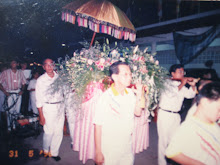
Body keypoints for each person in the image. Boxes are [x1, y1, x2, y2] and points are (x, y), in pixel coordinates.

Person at [94, 61, 143, 165]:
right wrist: (98, 152)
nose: (129, 77)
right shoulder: (106, 97)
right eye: (125, 74)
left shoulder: (130, 93)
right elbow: (98, 125)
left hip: (127, 143)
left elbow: (138, 112)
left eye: (130, 74)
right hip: (110, 145)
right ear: (115, 77)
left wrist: (139, 94)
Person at [166, 82, 220, 165]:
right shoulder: (190, 127)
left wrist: (193, 86)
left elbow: (190, 94)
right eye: (219, 109)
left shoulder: (213, 123)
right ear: (205, 102)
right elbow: (171, 152)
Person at [157, 64, 197, 165]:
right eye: (180, 72)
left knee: (175, 140)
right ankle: (162, 163)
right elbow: (170, 94)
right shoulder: (166, 83)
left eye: (183, 72)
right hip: (165, 115)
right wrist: (183, 83)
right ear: (173, 73)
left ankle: (173, 161)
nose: (182, 74)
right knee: (163, 142)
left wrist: (193, 86)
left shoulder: (180, 85)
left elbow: (190, 95)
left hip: (176, 116)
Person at [35, 58, 64, 161]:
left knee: (59, 131)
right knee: (48, 132)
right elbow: (38, 99)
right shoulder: (41, 80)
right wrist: (41, 115)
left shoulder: (59, 78)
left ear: (54, 65)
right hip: (48, 107)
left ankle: (54, 152)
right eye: (46, 65)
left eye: (51, 64)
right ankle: (46, 150)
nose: (49, 66)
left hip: (60, 106)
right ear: (43, 67)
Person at [0, 59, 26, 130]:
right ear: (10, 64)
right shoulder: (5, 72)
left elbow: (24, 83)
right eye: (12, 63)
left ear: (17, 64)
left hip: (18, 93)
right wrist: (5, 92)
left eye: (15, 63)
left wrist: (22, 90)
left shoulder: (20, 72)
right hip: (9, 93)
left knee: (17, 110)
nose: (13, 64)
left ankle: (14, 126)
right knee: (10, 110)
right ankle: (9, 127)